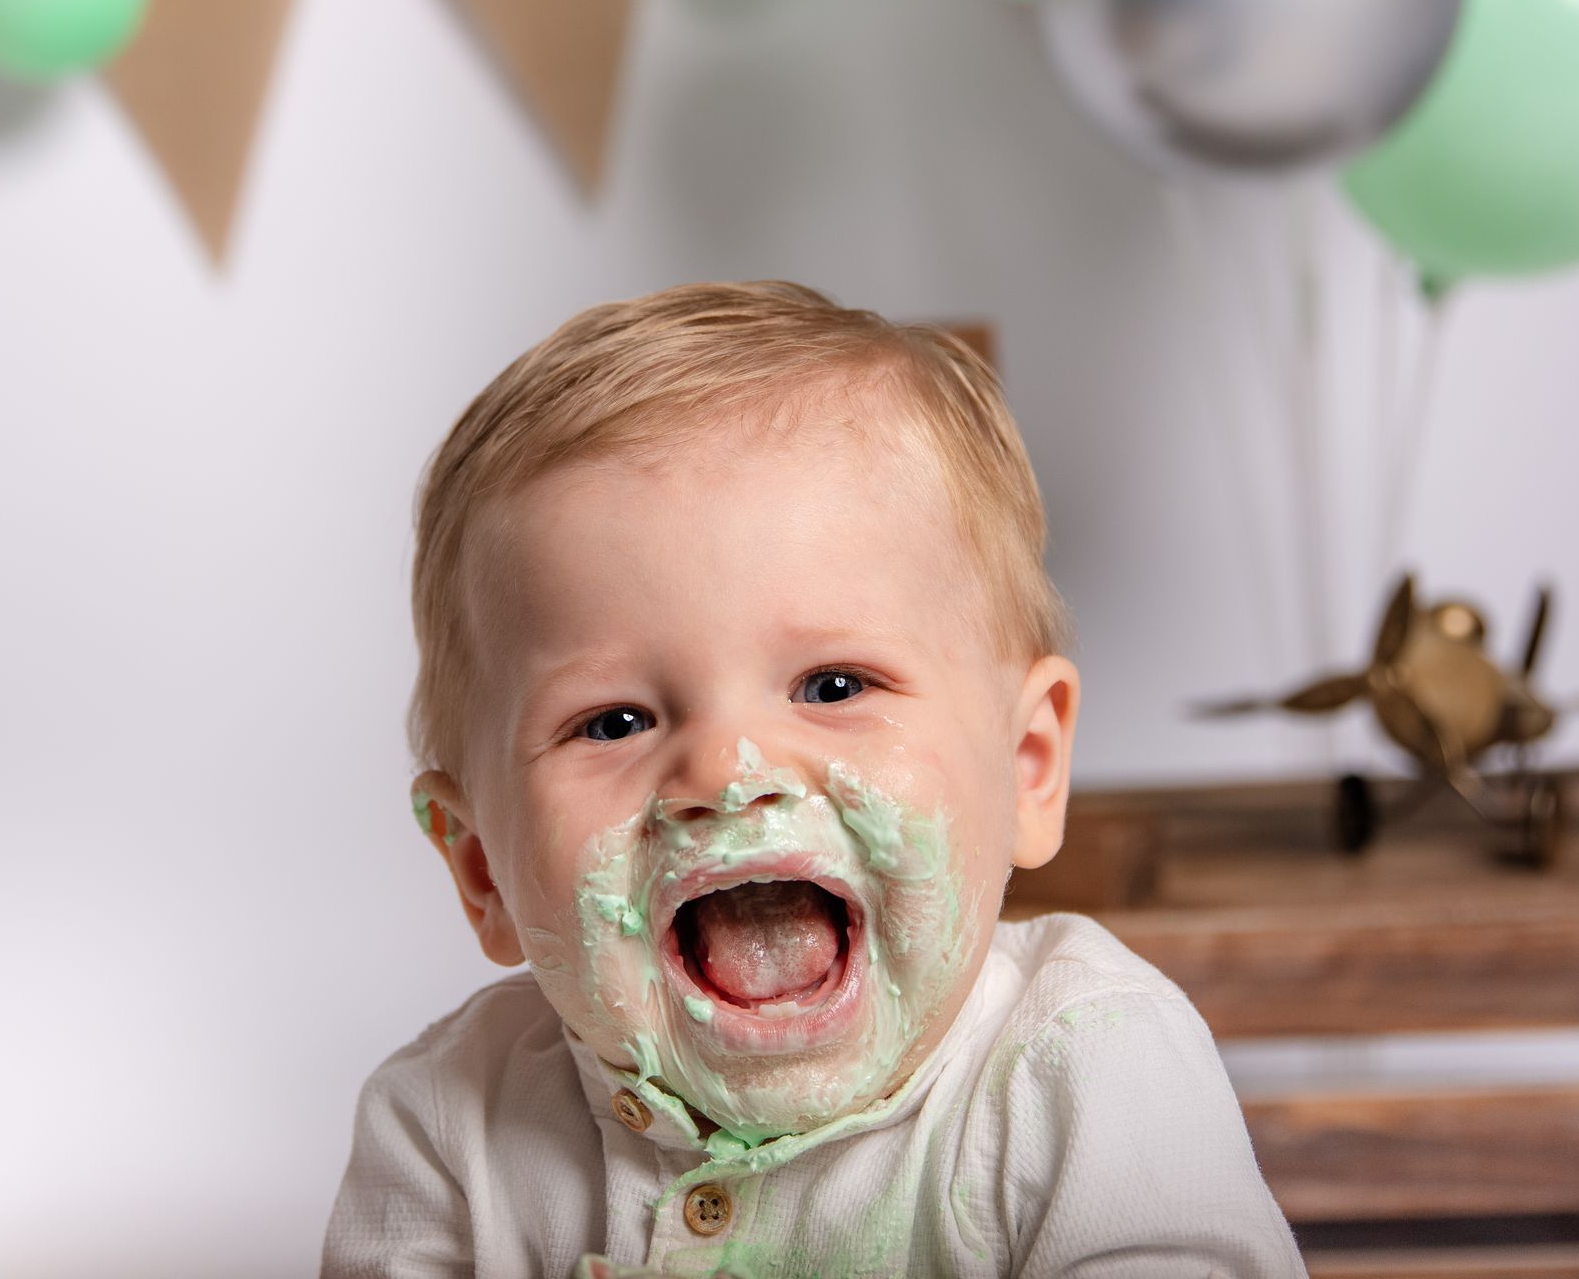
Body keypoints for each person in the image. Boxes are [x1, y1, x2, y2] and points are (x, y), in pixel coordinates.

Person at [322, 282, 1304, 1278]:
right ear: (481, 865)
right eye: (613, 721)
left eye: (832, 684)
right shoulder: (448, 1125)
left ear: (1027, 765)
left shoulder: (1086, 1067)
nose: (726, 771)